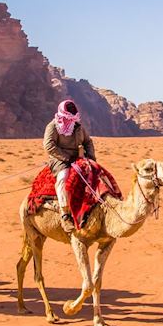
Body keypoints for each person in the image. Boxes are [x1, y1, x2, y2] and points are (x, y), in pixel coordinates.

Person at [43, 100, 96, 233]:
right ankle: (65, 213)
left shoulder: (77, 126)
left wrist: (90, 157)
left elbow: (88, 142)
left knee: (96, 174)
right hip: (59, 160)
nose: (70, 119)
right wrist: (67, 158)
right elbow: (49, 146)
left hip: (78, 158)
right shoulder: (53, 126)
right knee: (63, 177)